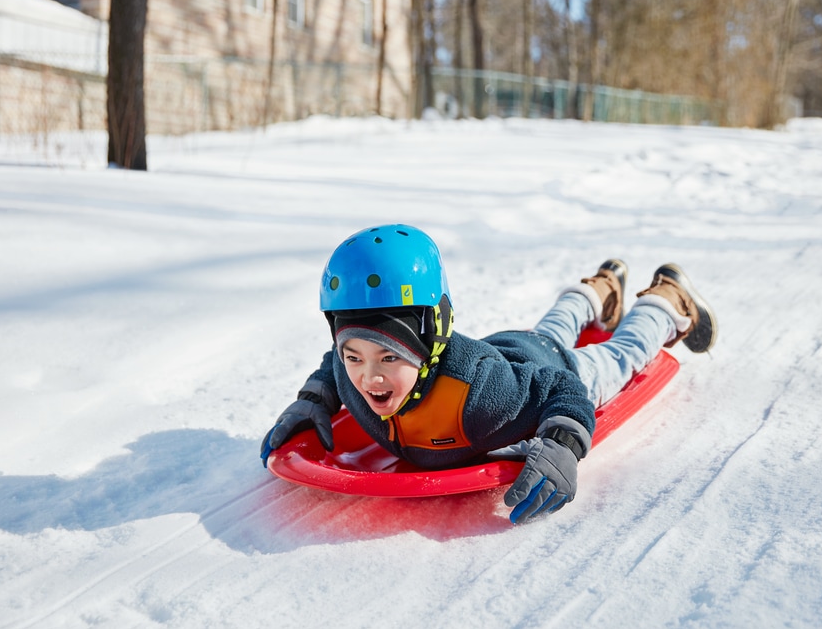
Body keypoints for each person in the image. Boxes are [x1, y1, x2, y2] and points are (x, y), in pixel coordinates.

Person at [260, 224, 717, 524]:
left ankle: (666, 299)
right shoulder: (352, 373)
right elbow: (333, 363)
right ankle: (600, 288)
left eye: (388, 358)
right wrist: (314, 399)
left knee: (620, 356)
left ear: (429, 342)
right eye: (354, 356)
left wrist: (564, 443)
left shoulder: (481, 398)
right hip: (510, 346)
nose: (369, 378)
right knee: (549, 329)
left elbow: (561, 389)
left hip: (550, 367)